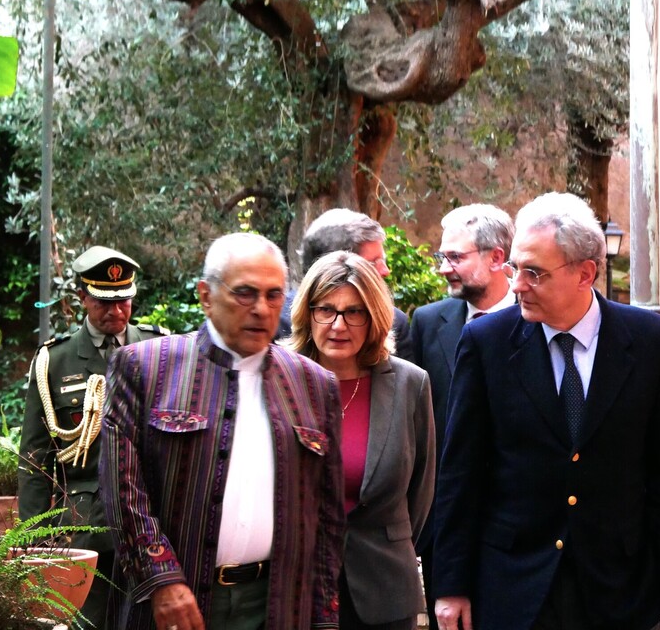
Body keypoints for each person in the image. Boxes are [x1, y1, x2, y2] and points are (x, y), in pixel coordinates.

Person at [434, 192, 660, 630]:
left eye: (534, 273)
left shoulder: (654, 344)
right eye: (514, 268)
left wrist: (659, 574)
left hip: (619, 592)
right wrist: (451, 584)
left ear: (585, 274)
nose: (516, 285)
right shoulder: (486, 343)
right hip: (512, 588)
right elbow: (460, 473)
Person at [99, 232, 345, 630]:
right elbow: (124, 491)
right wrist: (161, 580)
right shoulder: (146, 368)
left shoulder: (314, 385)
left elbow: (328, 517)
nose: (262, 309)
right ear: (205, 295)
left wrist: (324, 616)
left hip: (278, 606)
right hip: (176, 606)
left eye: (274, 295)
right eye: (245, 293)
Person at [18, 245, 170, 630]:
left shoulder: (160, 349)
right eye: (104, 302)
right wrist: (36, 543)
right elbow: (36, 457)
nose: (116, 311)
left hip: (151, 520)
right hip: (83, 529)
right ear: (82, 298)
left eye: (124, 301)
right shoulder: (56, 361)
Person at [288, 251, 435, 630]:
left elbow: (420, 492)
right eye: (326, 310)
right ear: (308, 312)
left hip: (384, 591)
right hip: (296, 587)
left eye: (354, 312)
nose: (339, 325)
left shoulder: (410, 384)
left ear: (374, 319)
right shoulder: (281, 380)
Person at [409, 204, 516, 630]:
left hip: (521, 530)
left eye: (455, 258)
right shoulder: (427, 321)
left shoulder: (537, 320)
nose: (443, 269)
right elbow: (416, 426)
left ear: (496, 257)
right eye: (441, 257)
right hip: (446, 528)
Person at [277, 208, 413, 362]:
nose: (385, 271)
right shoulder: (275, 322)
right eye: (373, 263)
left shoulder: (395, 323)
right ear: (338, 264)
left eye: (355, 312)